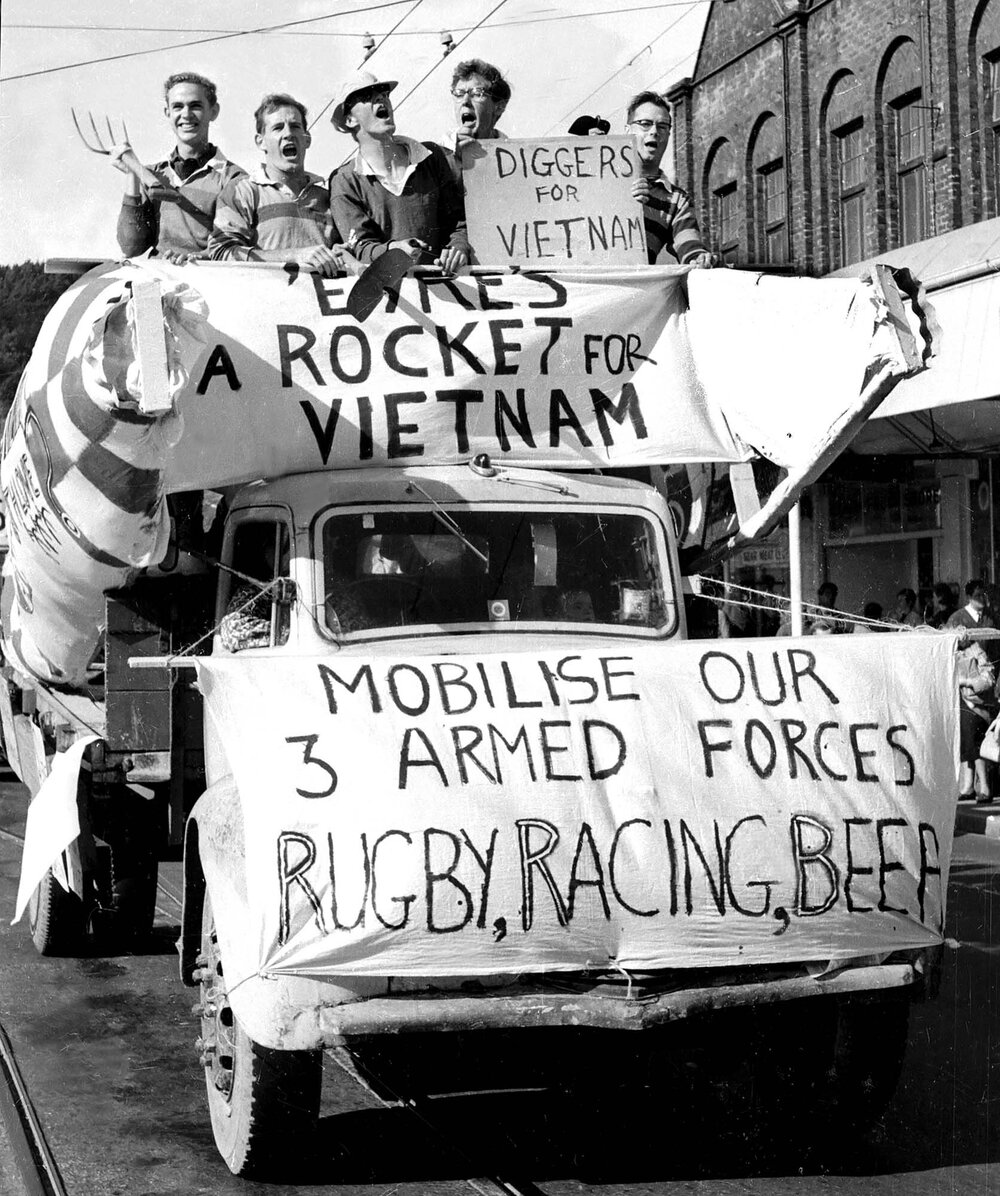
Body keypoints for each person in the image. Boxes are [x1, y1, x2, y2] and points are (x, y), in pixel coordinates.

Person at [328, 70, 470, 271]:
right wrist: (392, 249)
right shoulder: (345, 181)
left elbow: (460, 221)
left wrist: (458, 247)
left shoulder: (432, 156)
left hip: (447, 291)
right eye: (368, 97)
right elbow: (360, 246)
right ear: (350, 120)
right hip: (395, 296)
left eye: (384, 94)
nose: (381, 99)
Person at [116, 72, 246, 263]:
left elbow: (234, 246)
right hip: (159, 280)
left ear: (213, 111)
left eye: (195, 106)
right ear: (167, 113)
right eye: (177, 107)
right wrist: (132, 174)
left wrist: (194, 258)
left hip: (212, 281)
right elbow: (131, 247)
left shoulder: (234, 179)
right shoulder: (152, 175)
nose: (186, 114)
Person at [208, 94, 343, 275]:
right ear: (260, 141)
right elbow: (222, 251)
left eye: (295, 126)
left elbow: (348, 251)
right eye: (278, 128)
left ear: (307, 139)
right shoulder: (244, 191)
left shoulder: (329, 196)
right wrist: (294, 256)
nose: (288, 134)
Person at [624, 90, 713, 268]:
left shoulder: (677, 200)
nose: (654, 132)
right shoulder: (600, 178)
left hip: (635, 291)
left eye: (662, 126)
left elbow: (689, 246)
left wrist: (699, 259)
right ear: (628, 131)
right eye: (645, 124)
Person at [450, 59, 510, 152]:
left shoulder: (513, 154)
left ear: (499, 107)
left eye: (477, 93)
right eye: (459, 94)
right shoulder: (437, 155)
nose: (465, 101)